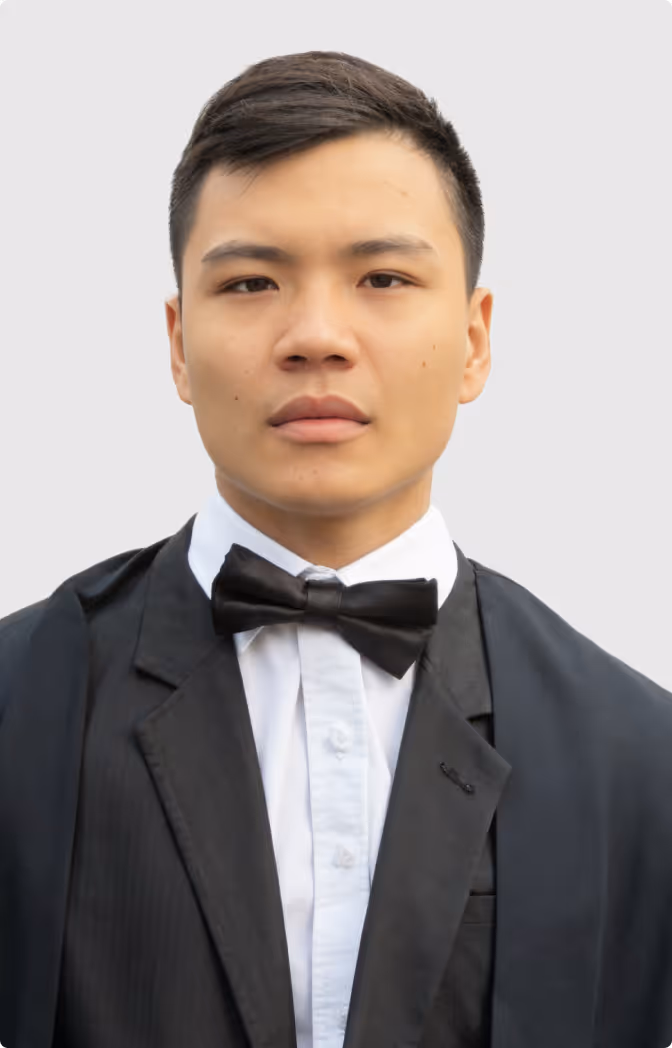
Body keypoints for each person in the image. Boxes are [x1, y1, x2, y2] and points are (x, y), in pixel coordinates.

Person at [1, 50, 671, 1048]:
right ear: (178, 344)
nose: (317, 334)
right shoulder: (16, 711)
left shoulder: (638, 758)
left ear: (477, 339)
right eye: (253, 280)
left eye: (384, 276)